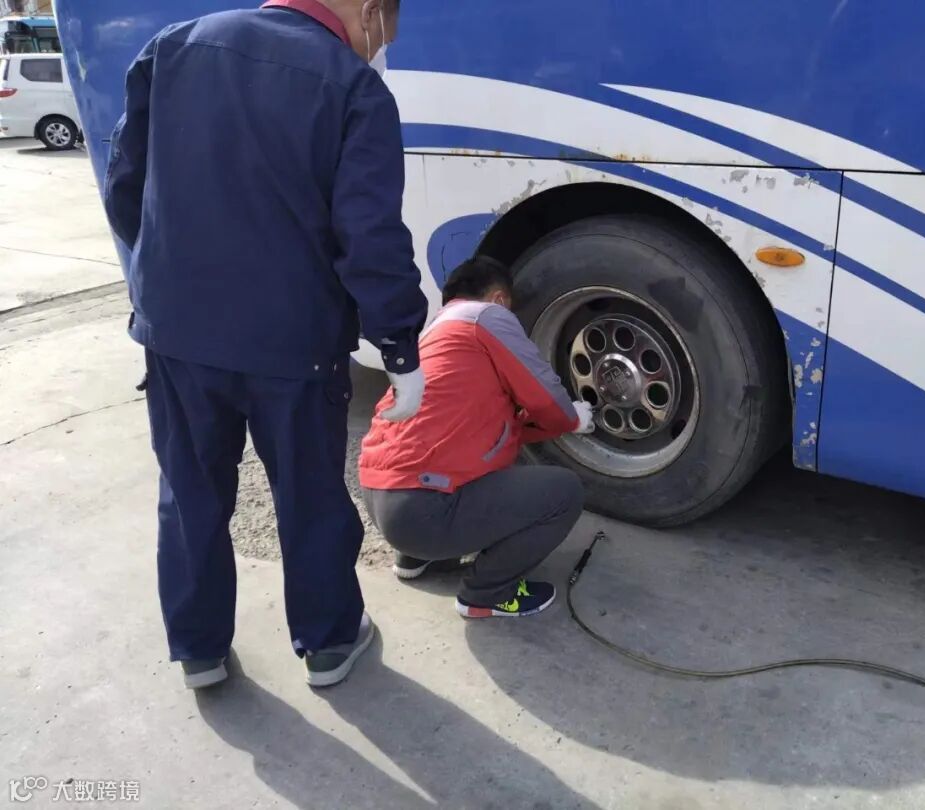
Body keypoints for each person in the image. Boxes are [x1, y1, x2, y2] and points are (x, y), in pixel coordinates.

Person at [103, 0, 428, 689]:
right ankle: (329, 644)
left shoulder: (174, 46)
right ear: (372, 12)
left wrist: (161, 282)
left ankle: (198, 650)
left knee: (190, 493)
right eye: (384, 36)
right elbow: (369, 235)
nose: (378, 50)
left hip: (178, 335)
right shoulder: (353, 86)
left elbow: (126, 180)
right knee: (309, 498)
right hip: (294, 343)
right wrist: (400, 346)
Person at [360, 257, 594, 618]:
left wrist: (553, 424)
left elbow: (496, 430)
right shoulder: (486, 316)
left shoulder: (435, 335)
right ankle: (487, 593)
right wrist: (571, 417)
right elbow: (543, 393)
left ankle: (416, 558)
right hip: (423, 510)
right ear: (499, 299)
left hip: (379, 499)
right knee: (565, 493)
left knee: (446, 454)